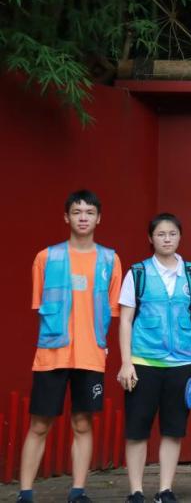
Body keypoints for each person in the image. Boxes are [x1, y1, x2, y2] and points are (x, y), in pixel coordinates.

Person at [19, 190, 123, 503]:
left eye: (89, 212)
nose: (83, 218)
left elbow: (112, 310)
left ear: (99, 218)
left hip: (91, 355)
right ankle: (25, 493)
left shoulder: (110, 259)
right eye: (77, 212)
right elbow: (40, 305)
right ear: (66, 217)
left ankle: (78, 491)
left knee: (82, 423)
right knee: (39, 424)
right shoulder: (46, 257)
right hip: (52, 354)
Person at [117, 213, 191, 503]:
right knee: (137, 430)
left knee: (173, 429)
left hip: (181, 363)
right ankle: (136, 491)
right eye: (160, 234)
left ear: (180, 236)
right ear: (150, 238)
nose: (167, 239)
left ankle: (165, 489)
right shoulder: (138, 273)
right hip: (144, 362)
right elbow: (125, 320)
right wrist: (126, 362)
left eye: (172, 234)